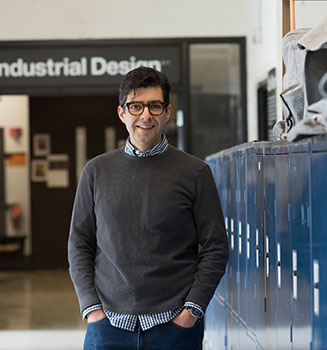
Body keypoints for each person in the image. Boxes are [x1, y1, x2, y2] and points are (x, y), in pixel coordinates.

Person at [68, 66, 229, 350]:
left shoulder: (195, 172)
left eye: (154, 106)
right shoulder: (96, 171)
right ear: (122, 113)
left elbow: (216, 247)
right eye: (136, 106)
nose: (146, 115)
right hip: (108, 327)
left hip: (174, 328)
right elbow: (79, 243)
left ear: (167, 112)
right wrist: (91, 308)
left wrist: (192, 311)